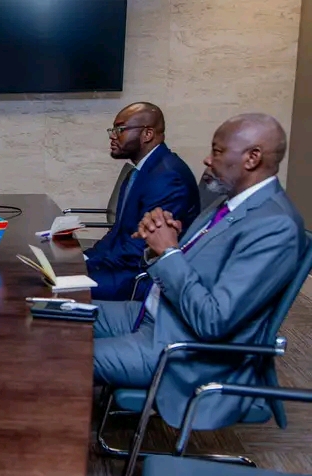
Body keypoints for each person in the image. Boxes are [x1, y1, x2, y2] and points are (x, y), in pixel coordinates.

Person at [93, 113, 307, 430]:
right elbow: (184, 265)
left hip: (181, 351)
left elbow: (214, 321)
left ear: (252, 158)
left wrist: (169, 252)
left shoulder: (275, 226)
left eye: (218, 151)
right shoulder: (227, 203)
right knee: (54, 318)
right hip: (154, 315)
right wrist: (158, 242)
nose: (207, 159)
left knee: (63, 357)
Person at [84, 102, 200, 301]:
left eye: (120, 129)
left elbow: (138, 250)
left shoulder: (168, 177)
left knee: (51, 288)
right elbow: (118, 233)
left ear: (147, 134)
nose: (113, 136)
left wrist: (86, 270)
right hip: (123, 268)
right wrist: (84, 260)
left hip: (140, 279)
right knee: (49, 281)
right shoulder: (139, 172)